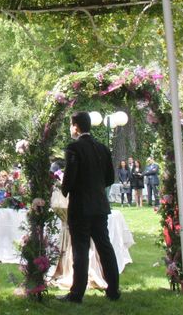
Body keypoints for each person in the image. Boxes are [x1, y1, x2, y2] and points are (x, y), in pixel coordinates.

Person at [58, 111, 120, 304]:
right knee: (105, 247)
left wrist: (65, 188)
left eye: (71, 125)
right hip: (100, 205)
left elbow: (70, 175)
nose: (70, 129)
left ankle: (77, 293)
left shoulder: (74, 148)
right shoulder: (102, 148)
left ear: (76, 127)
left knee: (80, 249)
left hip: (81, 206)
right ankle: (113, 289)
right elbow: (110, 177)